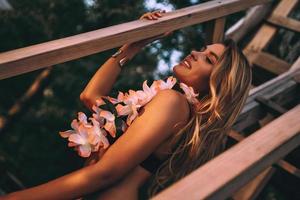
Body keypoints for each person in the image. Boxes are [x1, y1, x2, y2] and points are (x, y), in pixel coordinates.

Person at [1, 9, 252, 200]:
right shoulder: (172, 102)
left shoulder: (173, 103)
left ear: (217, 84)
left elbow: (105, 173)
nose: (195, 53)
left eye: (208, 58)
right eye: (201, 49)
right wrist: (133, 45)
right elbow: (91, 96)